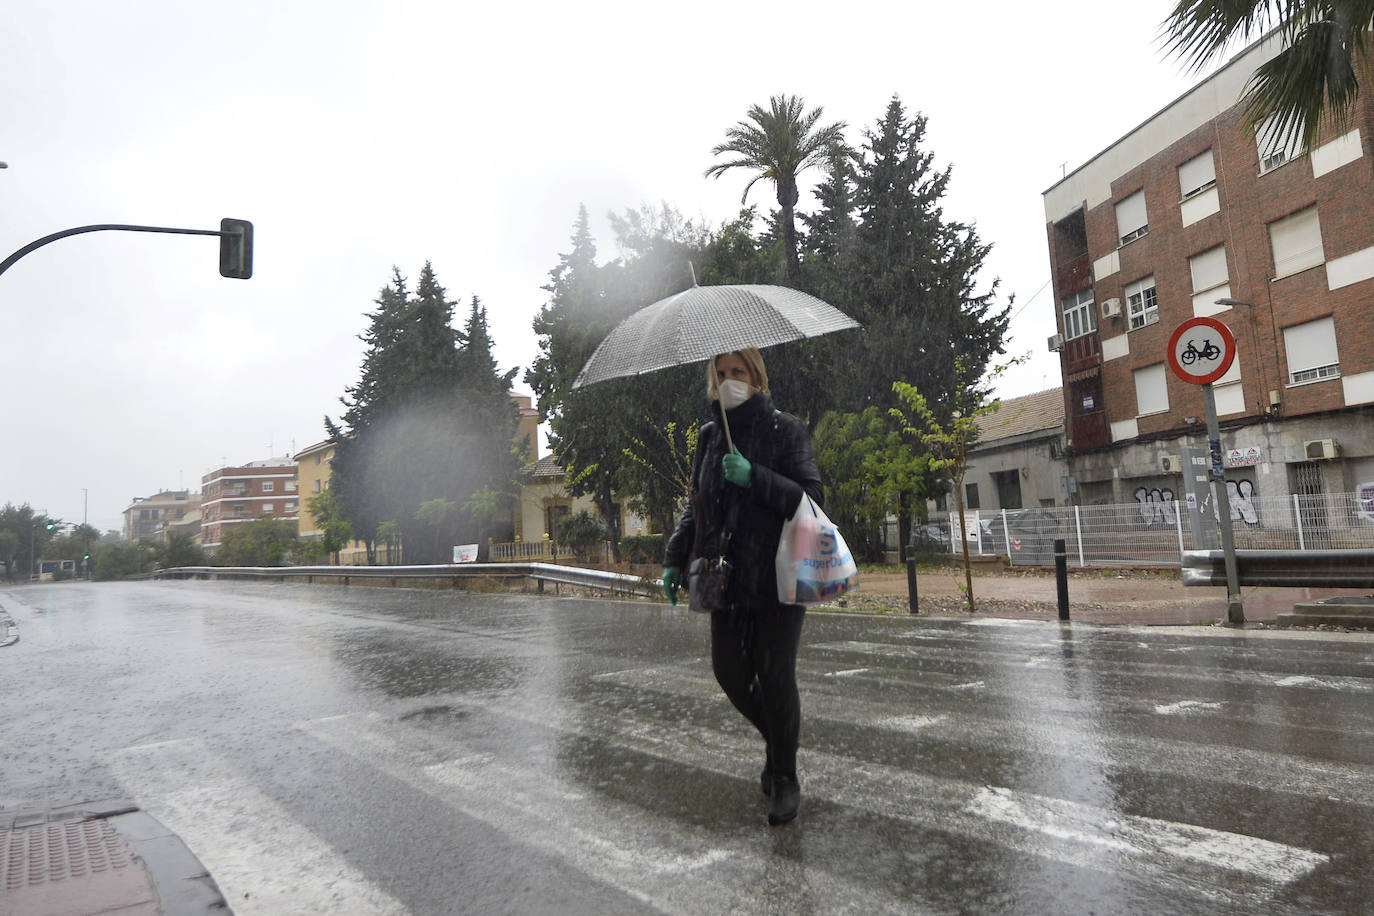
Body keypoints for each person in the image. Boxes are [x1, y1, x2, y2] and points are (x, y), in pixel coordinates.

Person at [661, 348, 823, 826]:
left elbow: (811, 498)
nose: (730, 380)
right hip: (721, 576)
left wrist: (756, 478)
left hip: (776, 574)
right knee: (730, 673)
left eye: (739, 372)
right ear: (712, 382)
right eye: (722, 374)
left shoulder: (784, 429)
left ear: (757, 378)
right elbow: (697, 505)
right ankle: (779, 744)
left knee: (774, 677)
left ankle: (785, 776)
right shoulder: (710, 436)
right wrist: (674, 555)